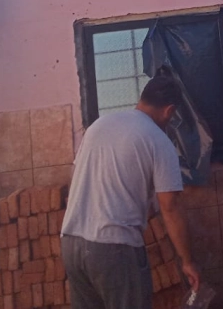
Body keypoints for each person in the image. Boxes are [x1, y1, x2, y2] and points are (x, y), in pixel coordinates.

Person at [60, 65, 201, 309]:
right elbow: (170, 207)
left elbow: (90, 179)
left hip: (72, 243)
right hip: (113, 249)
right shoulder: (159, 140)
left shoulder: (99, 126)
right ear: (169, 111)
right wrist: (187, 261)